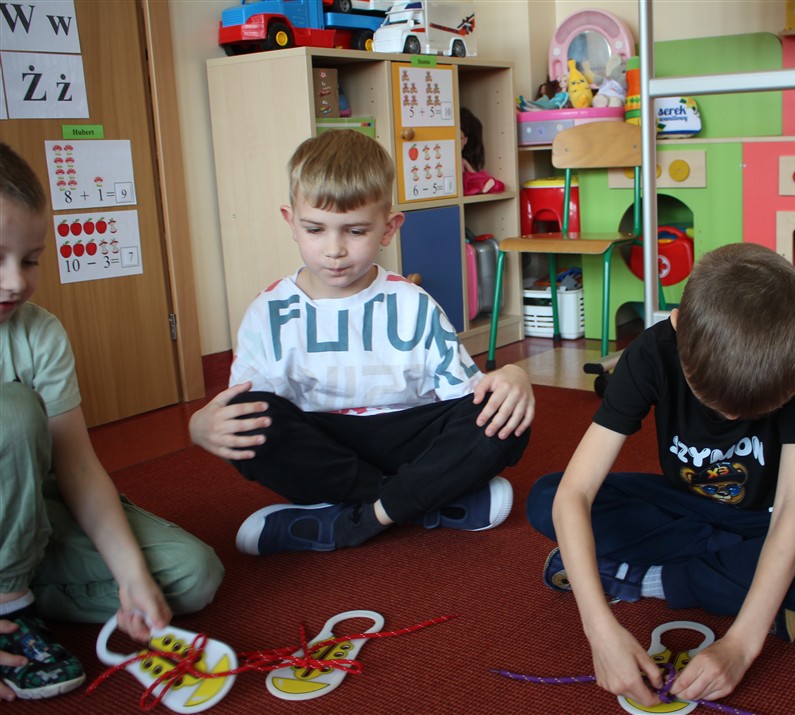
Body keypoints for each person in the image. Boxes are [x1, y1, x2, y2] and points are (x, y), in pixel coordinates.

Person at [527, 242, 795, 707]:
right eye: (711, 401)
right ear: (678, 327)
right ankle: (759, 581)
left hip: (777, 513)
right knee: (547, 498)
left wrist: (742, 643)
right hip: (692, 508)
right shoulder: (652, 352)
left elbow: (793, 508)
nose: (732, 419)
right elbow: (575, 493)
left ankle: (647, 579)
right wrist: (598, 630)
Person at [189, 129, 533, 557]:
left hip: (405, 437)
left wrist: (513, 377)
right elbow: (248, 410)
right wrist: (199, 426)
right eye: (315, 229)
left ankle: (355, 520)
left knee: (504, 413)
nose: (334, 250)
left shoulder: (413, 303)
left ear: (388, 228)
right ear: (291, 222)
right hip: (324, 449)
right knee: (246, 416)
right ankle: (422, 501)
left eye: (354, 231)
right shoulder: (267, 311)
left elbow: (469, 398)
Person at [0, 143, 224, 701]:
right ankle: (12, 604)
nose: (15, 282)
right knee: (13, 413)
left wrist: (131, 577)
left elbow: (76, 467)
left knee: (193, 575)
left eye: (30, 260)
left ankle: (17, 593)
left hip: (29, 520)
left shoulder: (39, 331)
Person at [459, 107, 504, 196]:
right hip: (460, 182)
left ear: (466, 140)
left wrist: (475, 175)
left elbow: (472, 172)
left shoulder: (463, 160)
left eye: (460, 138)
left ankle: (485, 185)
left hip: (465, 179)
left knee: (474, 181)